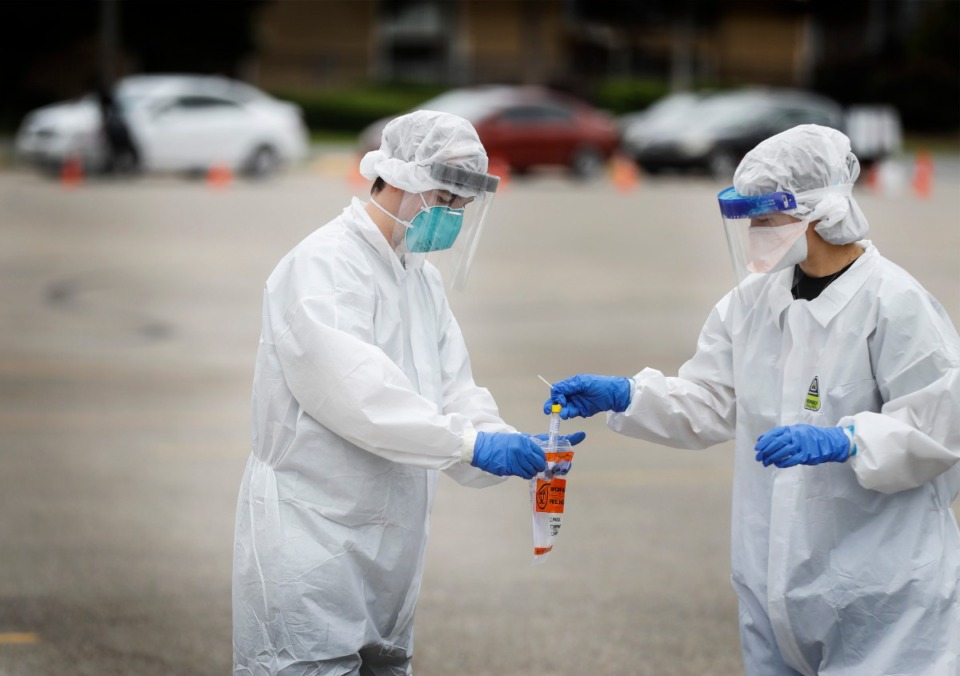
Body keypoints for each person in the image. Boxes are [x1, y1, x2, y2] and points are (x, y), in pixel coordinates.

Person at [544, 125, 959, 675]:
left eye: (767, 218)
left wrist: (849, 440)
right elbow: (709, 399)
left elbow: (940, 423)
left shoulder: (895, 303)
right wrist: (628, 395)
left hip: (882, 592)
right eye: (750, 220)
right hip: (774, 585)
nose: (757, 233)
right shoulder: (750, 303)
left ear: (819, 210)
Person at [233, 109, 584, 675]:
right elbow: (360, 398)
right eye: (443, 197)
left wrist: (508, 444)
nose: (449, 216)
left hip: (389, 542)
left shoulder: (419, 277)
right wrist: (470, 445)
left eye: (459, 207)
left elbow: (455, 388)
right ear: (398, 176)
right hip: (311, 533)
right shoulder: (322, 267)